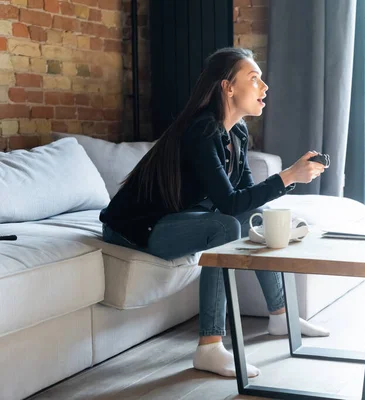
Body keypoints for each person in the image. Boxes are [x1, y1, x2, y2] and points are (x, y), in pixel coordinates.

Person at [99, 47, 329, 378]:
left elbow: (245, 200)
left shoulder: (236, 132)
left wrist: (286, 180)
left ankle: (280, 315)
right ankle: (209, 346)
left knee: (258, 217)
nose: (264, 87)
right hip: (135, 227)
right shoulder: (200, 130)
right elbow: (228, 205)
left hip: (171, 220)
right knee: (224, 228)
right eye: (254, 79)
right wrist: (289, 176)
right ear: (227, 87)